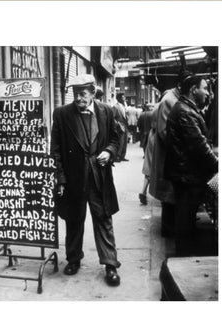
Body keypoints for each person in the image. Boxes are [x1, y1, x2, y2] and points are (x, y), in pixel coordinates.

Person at [51, 74, 121, 286]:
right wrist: (61, 178)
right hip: (74, 178)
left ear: (92, 93)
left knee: (103, 219)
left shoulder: (106, 111)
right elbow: (55, 150)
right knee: (74, 219)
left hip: (99, 178)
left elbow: (116, 138)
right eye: (75, 94)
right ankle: (73, 259)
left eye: (82, 94)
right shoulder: (62, 114)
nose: (78, 98)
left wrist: (109, 151)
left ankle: (110, 264)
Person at [165, 75, 218, 256]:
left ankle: (185, 251)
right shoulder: (185, 111)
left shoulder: (186, 108)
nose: (208, 93)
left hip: (185, 173)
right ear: (193, 89)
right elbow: (199, 146)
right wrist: (218, 164)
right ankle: (184, 255)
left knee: (185, 216)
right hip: (187, 175)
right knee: (185, 217)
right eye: (205, 88)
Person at [149, 70, 191, 237]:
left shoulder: (177, 98)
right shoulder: (169, 100)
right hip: (168, 156)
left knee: (172, 195)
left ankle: (171, 228)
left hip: (173, 155)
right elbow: (165, 132)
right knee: (168, 195)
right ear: (181, 85)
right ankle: (168, 230)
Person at [138, 103, 155, 205]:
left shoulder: (142, 114)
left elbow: (139, 124)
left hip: (147, 136)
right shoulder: (155, 114)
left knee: (148, 163)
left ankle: (143, 191)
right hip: (154, 137)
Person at [112, 93, 129, 162]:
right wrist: (117, 124)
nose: (124, 98)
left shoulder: (124, 106)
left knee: (125, 142)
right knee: (120, 141)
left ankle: (122, 156)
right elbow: (112, 118)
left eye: (124, 97)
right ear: (118, 98)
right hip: (119, 126)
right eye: (122, 97)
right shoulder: (115, 107)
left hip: (125, 126)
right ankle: (117, 156)